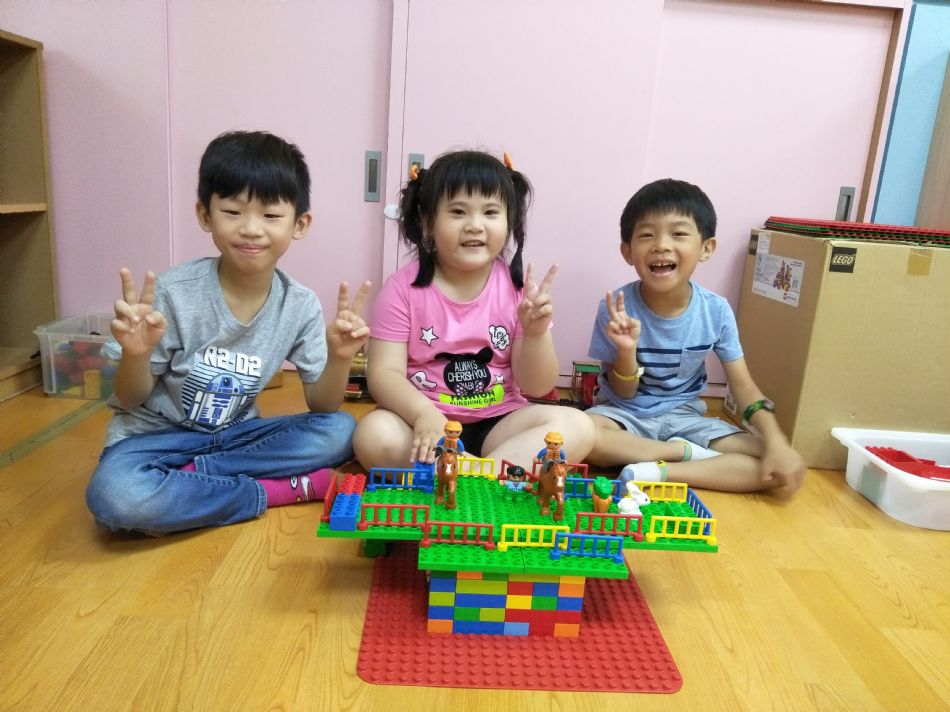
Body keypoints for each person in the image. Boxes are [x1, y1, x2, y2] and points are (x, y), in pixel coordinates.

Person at [85, 130, 371, 535]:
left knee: (340, 431)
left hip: (238, 437)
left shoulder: (299, 304)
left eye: (271, 216)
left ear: (300, 223)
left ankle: (190, 480)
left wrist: (340, 358)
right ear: (205, 215)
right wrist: (135, 354)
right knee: (117, 496)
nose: (251, 229)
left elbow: (322, 405)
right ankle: (271, 490)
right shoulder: (174, 293)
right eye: (233, 212)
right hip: (154, 439)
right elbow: (130, 398)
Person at [353, 149, 594, 471]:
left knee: (579, 425)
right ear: (427, 221)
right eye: (458, 212)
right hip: (426, 425)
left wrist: (536, 335)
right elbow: (384, 374)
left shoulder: (518, 289)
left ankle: (467, 475)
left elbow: (537, 387)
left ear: (509, 220)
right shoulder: (401, 289)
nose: (475, 225)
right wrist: (424, 414)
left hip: (500, 423)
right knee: (373, 434)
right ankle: (493, 476)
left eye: (491, 212)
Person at [585, 178, 805, 494]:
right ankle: (681, 454)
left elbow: (744, 388)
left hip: (686, 419)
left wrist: (777, 442)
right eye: (646, 235)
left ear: (706, 248)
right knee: (585, 436)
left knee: (770, 461)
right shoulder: (616, 307)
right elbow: (624, 391)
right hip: (623, 416)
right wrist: (626, 351)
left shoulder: (716, 310)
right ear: (627, 251)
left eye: (678, 234)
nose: (661, 245)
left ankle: (661, 471)